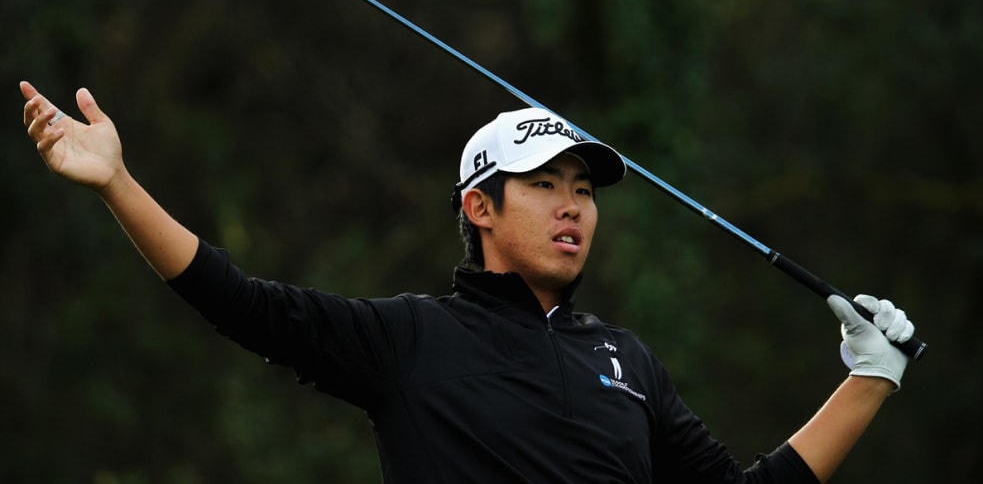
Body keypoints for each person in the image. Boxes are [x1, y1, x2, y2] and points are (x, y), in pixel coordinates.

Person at [21, 80, 915, 483]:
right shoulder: (410, 341)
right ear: (478, 208)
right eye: (542, 186)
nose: (573, 207)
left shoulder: (626, 361)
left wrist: (866, 383)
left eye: (582, 191)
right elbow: (239, 302)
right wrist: (118, 182)